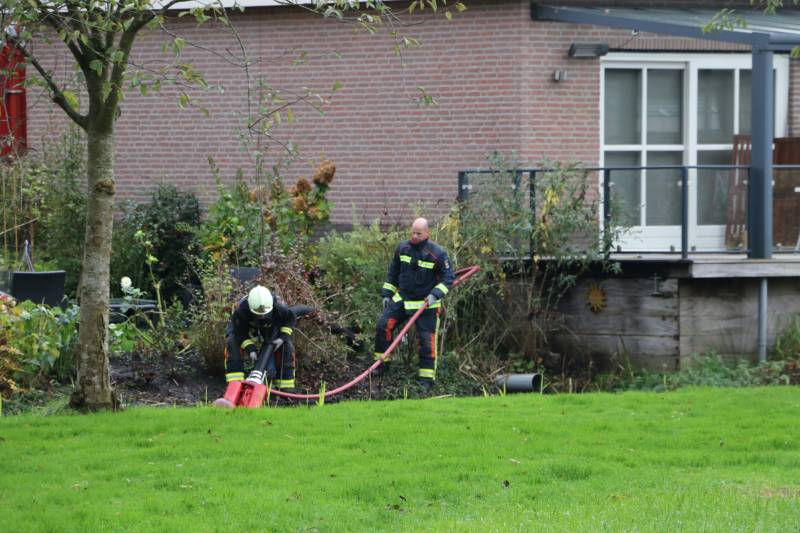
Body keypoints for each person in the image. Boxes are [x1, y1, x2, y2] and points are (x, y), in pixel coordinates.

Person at [374, 217, 455, 392]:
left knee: (426, 341)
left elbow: (449, 278)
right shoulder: (402, 248)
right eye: (413, 232)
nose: (415, 236)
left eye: (419, 233)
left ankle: (425, 380)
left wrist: (435, 294)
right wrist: (387, 293)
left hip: (426, 305)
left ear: (427, 233)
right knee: (383, 325)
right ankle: (382, 365)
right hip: (403, 299)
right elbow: (393, 272)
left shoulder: (438, 253)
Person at [224, 285, 297, 390]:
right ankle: (234, 385)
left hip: (271, 325)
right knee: (232, 341)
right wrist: (251, 349)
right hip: (245, 326)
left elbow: (290, 319)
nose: (262, 316)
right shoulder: (241, 310)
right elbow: (240, 333)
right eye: (259, 314)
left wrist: (282, 338)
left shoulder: (279, 306)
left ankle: (286, 387)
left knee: (287, 346)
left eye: (264, 314)